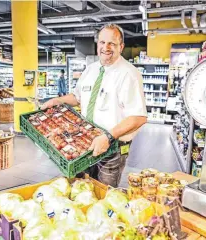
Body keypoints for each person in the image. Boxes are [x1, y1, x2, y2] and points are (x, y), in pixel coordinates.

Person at [42, 23, 147, 187]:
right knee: (80, 187)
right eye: (102, 42)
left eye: (112, 43)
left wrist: (108, 137)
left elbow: (139, 117)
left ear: (121, 46)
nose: (106, 47)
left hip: (112, 148)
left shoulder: (129, 74)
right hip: (84, 141)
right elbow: (77, 97)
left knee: (102, 193)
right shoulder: (90, 70)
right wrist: (58, 101)